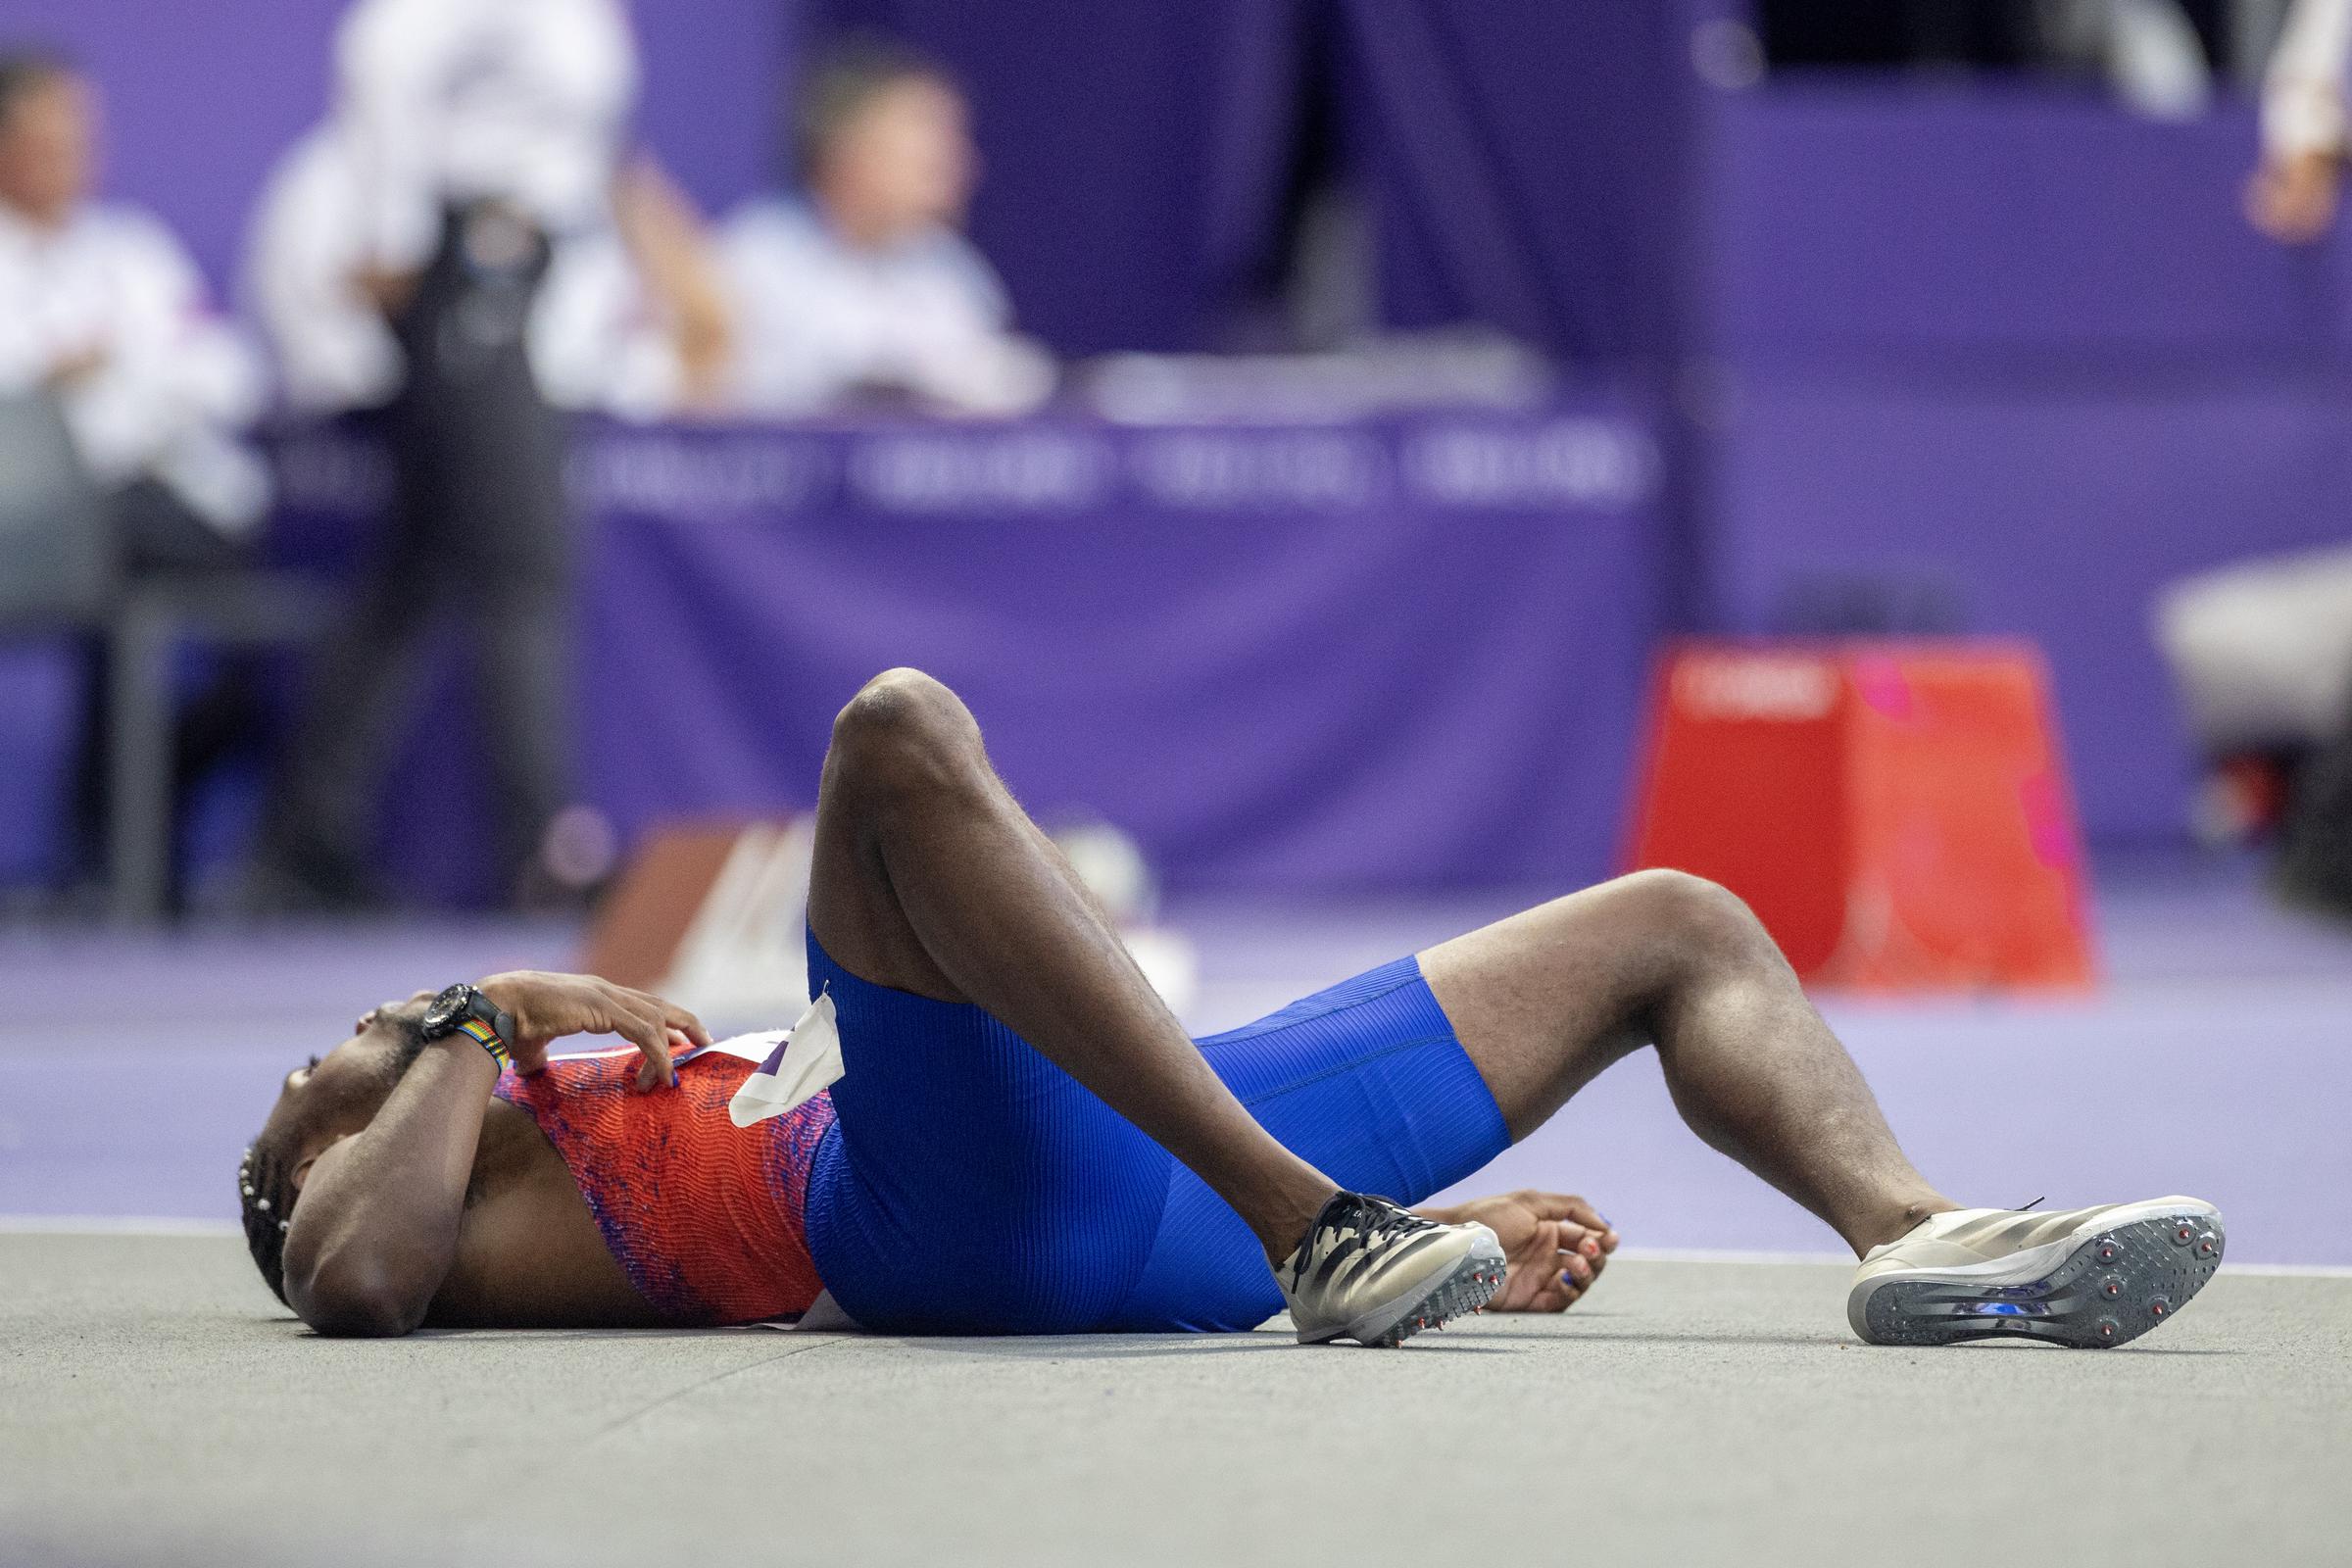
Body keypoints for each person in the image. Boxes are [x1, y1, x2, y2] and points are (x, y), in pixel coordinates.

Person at [237, 668, 2225, 1348]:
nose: (358, 1036)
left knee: (1675, 921)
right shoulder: (468, 1179)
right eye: (327, 1063)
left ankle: (1916, 1231)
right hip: (933, 1232)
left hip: (1137, 1200)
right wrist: (465, 1013)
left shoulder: (587, 1080)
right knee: (895, 734)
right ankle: (1323, 1226)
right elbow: (352, 1284)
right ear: (332, 1128)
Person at [248, 0, 646, 910]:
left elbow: (579, 157)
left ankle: (300, 840)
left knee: (415, 576)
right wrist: (390, 233)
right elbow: (382, 58)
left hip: (532, 275)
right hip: (470, 265)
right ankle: (544, 844)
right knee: (524, 564)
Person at [0, 49, 271, 899]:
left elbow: (230, 373)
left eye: (82, 138)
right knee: (123, 552)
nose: (74, 157)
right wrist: (55, 371)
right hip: (39, 519)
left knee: (258, 651)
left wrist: (121, 370)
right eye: (48, 139)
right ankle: (109, 854)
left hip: (174, 510)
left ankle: (123, 848)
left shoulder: (131, 250)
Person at [716, 38, 1053, 417]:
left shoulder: (951, 272)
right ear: (847, 150)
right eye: (928, 142)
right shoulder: (750, 263)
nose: (958, 166)